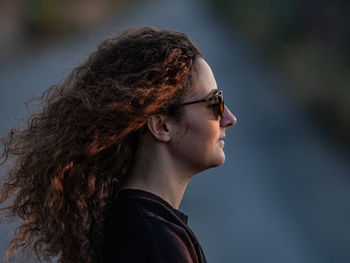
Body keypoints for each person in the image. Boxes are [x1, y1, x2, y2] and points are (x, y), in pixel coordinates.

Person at [0, 26, 236, 263]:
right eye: (214, 102)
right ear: (161, 126)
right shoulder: (157, 244)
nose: (229, 118)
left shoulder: (129, 224)